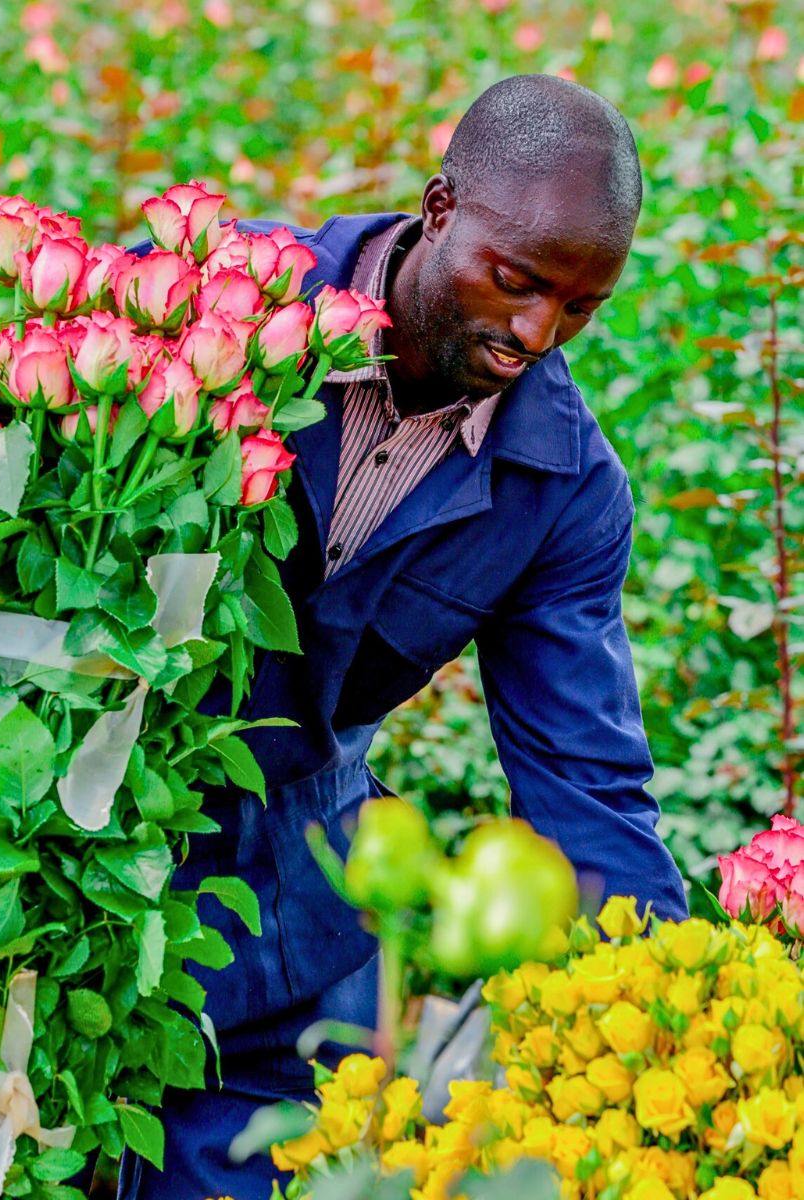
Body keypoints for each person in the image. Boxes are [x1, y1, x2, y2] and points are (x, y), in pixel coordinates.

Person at [118, 73, 688, 1200]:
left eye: (580, 308)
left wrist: (675, 1005)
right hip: (72, 878)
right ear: (439, 209)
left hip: (281, 941)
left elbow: (585, 779)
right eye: (518, 282)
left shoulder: (563, 492)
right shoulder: (221, 303)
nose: (538, 333)